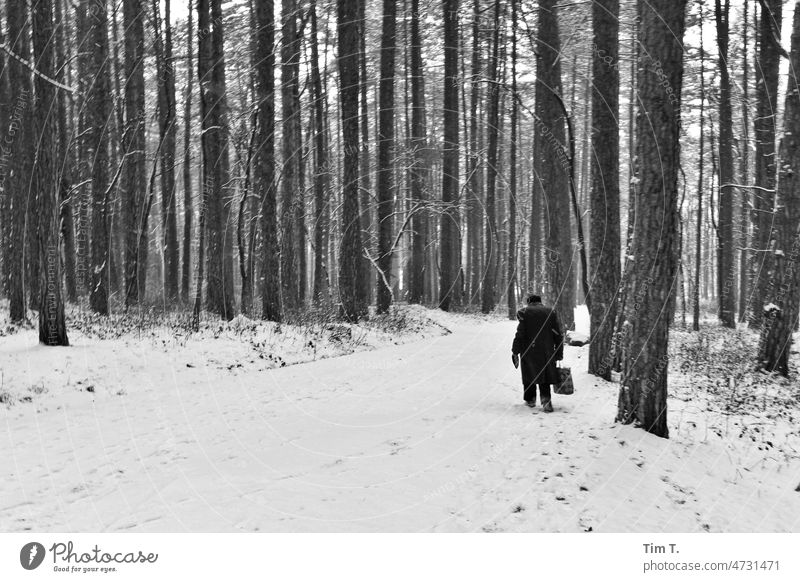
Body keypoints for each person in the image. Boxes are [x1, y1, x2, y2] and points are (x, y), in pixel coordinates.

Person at [511, 294, 564, 412]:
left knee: (529, 373)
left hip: (528, 350)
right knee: (544, 374)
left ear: (529, 302)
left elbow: (520, 334)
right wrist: (559, 353)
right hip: (547, 350)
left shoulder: (524, 313)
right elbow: (558, 334)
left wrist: (515, 351)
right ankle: (546, 401)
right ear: (540, 302)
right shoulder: (550, 312)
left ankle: (530, 399)